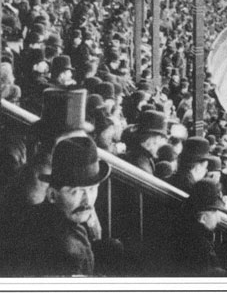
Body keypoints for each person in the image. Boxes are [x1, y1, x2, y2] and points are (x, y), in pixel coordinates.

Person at [10, 136, 111, 276]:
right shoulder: (67, 252)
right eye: (76, 191)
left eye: (92, 189)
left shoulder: (46, 214)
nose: (87, 201)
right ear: (52, 195)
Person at [165, 178, 227, 276]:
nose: (219, 219)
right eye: (215, 213)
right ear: (203, 218)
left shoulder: (180, 226)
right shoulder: (201, 247)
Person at [123, 110, 168, 175]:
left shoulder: (142, 157)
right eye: (161, 138)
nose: (163, 143)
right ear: (150, 139)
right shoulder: (141, 166)